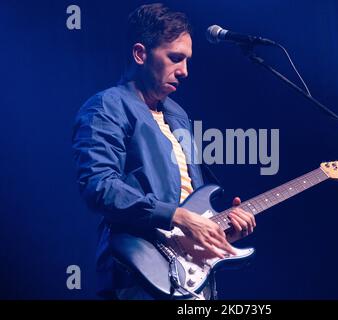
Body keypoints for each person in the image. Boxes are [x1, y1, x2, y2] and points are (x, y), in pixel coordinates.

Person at [72, 3, 256, 300]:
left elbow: (191, 202)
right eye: (175, 58)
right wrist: (178, 216)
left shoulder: (178, 115)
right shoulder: (108, 106)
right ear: (140, 54)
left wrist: (218, 228)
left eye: (187, 61)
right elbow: (99, 186)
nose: (184, 71)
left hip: (190, 278)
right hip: (138, 273)